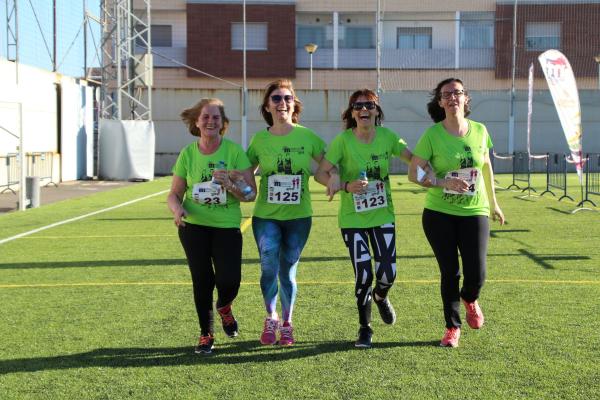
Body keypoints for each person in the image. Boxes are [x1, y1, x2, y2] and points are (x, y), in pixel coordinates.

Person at [408, 78, 505, 348]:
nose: (453, 98)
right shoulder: (432, 135)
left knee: (477, 274)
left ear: (466, 99)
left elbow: (486, 166)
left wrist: (494, 203)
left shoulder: (481, 130)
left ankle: (470, 298)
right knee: (450, 271)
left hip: (475, 210)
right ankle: (452, 327)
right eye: (447, 94)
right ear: (440, 102)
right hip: (439, 213)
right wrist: (441, 182)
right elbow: (413, 172)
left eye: (458, 93)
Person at [315, 89, 413, 349]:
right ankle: (365, 328)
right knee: (363, 275)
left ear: (377, 111)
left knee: (388, 273)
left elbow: (412, 158)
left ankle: (381, 297)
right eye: (358, 106)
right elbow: (321, 173)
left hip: (383, 215)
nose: (364, 110)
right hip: (352, 219)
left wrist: (432, 167)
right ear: (352, 113)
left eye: (369, 105)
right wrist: (343, 184)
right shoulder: (343, 141)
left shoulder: (388, 137)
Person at [167, 98, 256, 354]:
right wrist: (177, 209)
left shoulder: (234, 152)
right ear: (197, 122)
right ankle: (206, 333)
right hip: (193, 226)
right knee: (202, 280)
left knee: (230, 281)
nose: (210, 121)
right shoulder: (188, 154)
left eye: (215, 117)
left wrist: (232, 185)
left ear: (223, 123)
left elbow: (251, 194)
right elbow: (174, 193)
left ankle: (225, 306)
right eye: (205, 117)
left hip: (226, 226)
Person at [247, 79, 326, 346]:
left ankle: (288, 323)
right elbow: (246, 171)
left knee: (288, 271)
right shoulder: (259, 139)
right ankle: (271, 317)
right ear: (267, 106)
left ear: (295, 104)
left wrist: (337, 179)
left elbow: (327, 167)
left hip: (298, 217)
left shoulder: (308, 137)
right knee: (268, 268)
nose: (283, 103)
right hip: (266, 217)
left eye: (287, 98)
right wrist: (231, 180)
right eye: (277, 99)